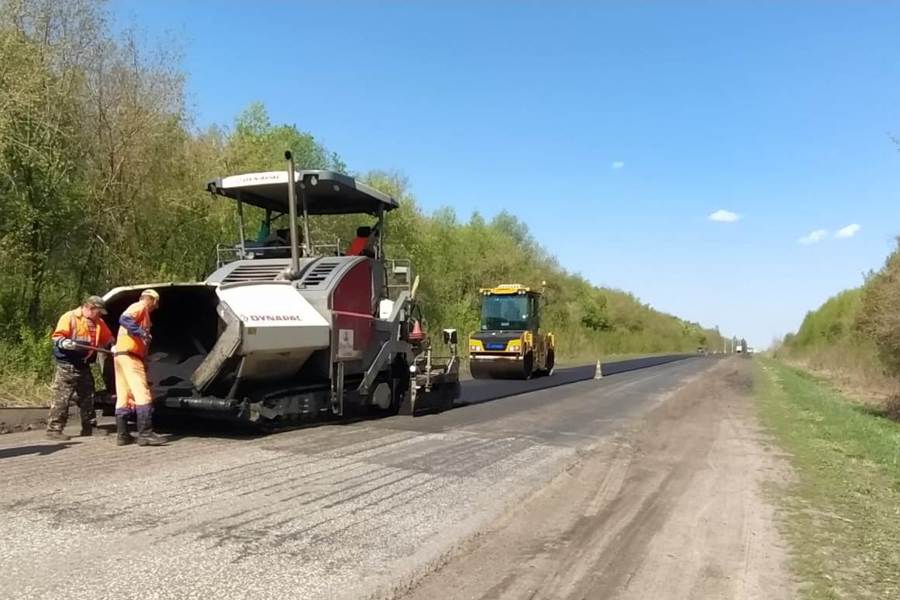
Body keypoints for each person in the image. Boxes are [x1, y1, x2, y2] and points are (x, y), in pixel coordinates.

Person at [46, 296, 115, 441]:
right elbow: (57, 337)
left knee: (88, 397)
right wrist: (64, 343)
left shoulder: (98, 323)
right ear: (90, 308)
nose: (100, 315)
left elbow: (108, 338)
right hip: (67, 365)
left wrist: (113, 346)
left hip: (83, 365)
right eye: (98, 312)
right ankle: (54, 430)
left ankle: (89, 427)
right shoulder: (69, 317)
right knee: (62, 398)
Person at [113, 289, 165, 446]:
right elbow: (124, 319)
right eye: (155, 304)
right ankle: (145, 434)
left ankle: (122, 435)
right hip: (130, 356)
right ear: (151, 300)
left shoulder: (144, 314)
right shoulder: (140, 306)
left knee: (123, 396)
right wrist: (141, 332)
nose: (155, 308)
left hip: (120, 356)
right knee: (143, 395)